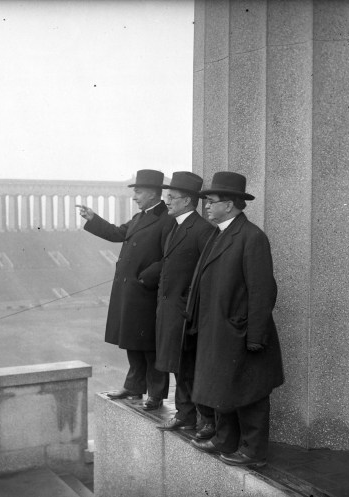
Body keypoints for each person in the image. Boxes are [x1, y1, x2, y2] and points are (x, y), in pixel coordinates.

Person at [187, 171, 284, 467]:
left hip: (240, 332)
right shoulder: (220, 234)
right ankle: (225, 440)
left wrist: (254, 335)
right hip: (218, 330)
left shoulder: (251, 237)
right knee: (222, 388)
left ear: (229, 205)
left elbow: (263, 290)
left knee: (249, 393)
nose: (206, 206)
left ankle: (253, 453)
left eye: (211, 201)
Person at [78, 169, 175, 410]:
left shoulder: (167, 219)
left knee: (150, 347)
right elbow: (117, 233)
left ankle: (156, 393)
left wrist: (146, 278)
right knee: (133, 343)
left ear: (153, 193)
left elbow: (170, 256)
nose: (135, 197)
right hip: (131, 293)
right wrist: (93, 218)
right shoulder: (139, 217)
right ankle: (133, 386)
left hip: (148, 293)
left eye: (139, 192)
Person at [153, 171, 216, 437]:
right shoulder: (177, 226)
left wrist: (190, 305)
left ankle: (208, 421)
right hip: (172, 312)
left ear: (188, 201)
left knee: (191, 367)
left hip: (187, 313)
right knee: (180, 367)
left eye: (172, 197)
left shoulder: (202, 230)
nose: (166, 200)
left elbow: (208, 275)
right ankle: (186, 416)